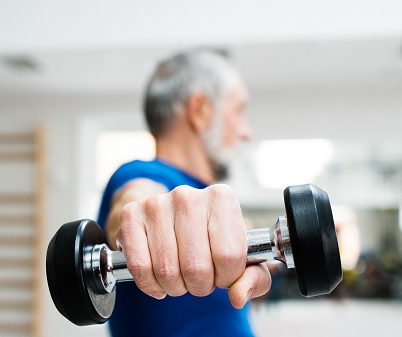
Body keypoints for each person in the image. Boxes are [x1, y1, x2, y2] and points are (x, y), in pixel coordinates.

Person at [96, 49, 271, 337]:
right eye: (239, 111)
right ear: (200, 111)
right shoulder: (142, 175)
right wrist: (144, 223)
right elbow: (138, 202)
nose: (246, 132)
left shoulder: (205, 200)